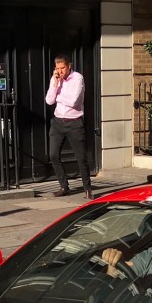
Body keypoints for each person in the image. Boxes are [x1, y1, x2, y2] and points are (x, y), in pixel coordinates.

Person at [44, 54, 93, 198]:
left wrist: (58, 97)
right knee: (53, 155)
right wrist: (55, 84)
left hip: (74, 123)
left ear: (69, 66)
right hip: (58, 122)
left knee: (80, 157)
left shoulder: (78, 78)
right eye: (57, 68)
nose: (60, 71)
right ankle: (64, 186)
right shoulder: (56, 79)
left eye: (63, 68)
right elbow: (48, 100)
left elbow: (73, 102)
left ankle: (87, 189)